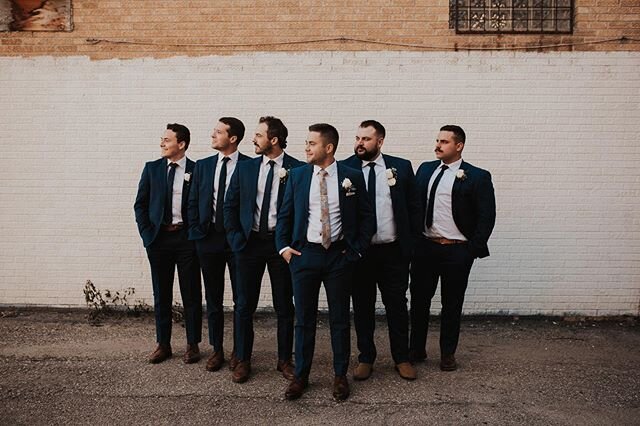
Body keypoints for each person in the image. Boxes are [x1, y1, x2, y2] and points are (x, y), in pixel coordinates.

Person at [276, 123, 375, 402]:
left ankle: (340, 375)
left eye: (312, 144)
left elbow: (367, 217)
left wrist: (355, 251)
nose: (306, 148)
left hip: (339, 257)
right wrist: (284, 248)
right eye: (306, 143)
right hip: (304, 255)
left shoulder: (351, 176)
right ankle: (301, 376)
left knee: (340, 319)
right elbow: (284, 215)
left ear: (328, 148)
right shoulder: (296, 176)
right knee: (304, 320)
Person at [223, 116, 305, 383]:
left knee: (284, 305)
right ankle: (243, 359)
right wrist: (236, 239)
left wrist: (292, 243)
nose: (253, 140)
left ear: (274, 139)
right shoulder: (246, 168)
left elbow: (303, 211)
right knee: (244, 305)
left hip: (281, 246)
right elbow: (230, 205)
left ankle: (284, 359)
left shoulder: (297, 169)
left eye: (258, 135)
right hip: (249, 245)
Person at [409, 125, 496, 371]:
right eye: (437, 140)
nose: (438, 145)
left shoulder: (477, 176)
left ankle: (447, 353)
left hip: (457, 251)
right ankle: (416, 348)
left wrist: (471, 250)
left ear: (459, 146)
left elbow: (486, 216)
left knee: (452, 303)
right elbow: (415, 205)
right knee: (418, 301)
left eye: (444, 141)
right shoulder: (425, 169)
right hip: (425, 248)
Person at [341, 120, 421, 381]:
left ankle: (402, 358)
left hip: (393, 251)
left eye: (366, 139)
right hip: (361, 253)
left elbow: (414, 208)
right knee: (362, 305)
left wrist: (411, 246)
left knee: (397, 305)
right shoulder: (345, 168)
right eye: (357, 138)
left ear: (380, 141)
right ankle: (366, 357)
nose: (359, 143)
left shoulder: (402, 167)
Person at [134, 123, 202, 364]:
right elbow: (140, 204)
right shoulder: (152, 169)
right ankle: (163, 344)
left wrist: (196, 235)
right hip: (159, 240)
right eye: (161, 139)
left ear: (181, 144)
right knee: (161, 293)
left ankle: (193, 344)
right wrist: (147, 235)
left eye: (167, 140)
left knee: (191, 293)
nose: (162, 143)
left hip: (186, 240)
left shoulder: (196, 169)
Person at [187, 117, 250, 372]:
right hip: (209, 238)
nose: (213, 135)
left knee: (241, 299)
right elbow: (193, 200)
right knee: (213, 299)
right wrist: (196, 231)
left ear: (232, 138)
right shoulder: (203, 166)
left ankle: (239, 351)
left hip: (237, 241)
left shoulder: (249, 165)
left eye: (218, 132)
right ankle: (217, 350)